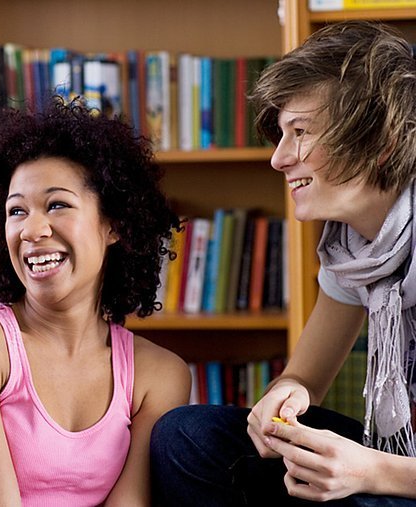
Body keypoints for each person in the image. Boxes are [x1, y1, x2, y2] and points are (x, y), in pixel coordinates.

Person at [150, 20, 416, 506]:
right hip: (392, 465)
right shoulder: (351, 248)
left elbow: (371, 470)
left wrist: (371, 471)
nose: (277, 159)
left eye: (300, 132)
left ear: (380, 143)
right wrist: (286, 396)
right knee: (187, 436)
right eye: (280, 133)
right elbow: (306, 378)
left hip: (396, 474)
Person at [0, 97, 191, 506]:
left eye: (57, 204)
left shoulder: (159, 375)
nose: (32, 230)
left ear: (114, 223)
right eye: (16, 211)